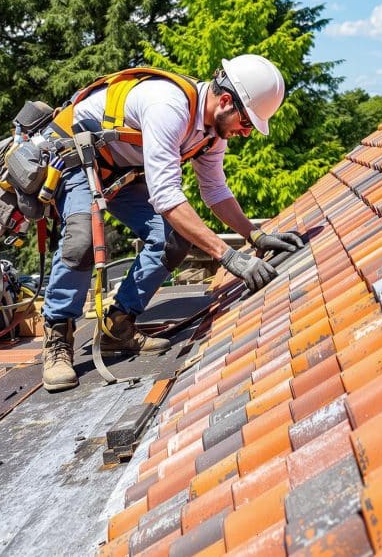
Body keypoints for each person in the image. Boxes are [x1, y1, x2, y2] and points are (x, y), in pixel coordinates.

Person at [41, 54, 305, 392]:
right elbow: (166, 197)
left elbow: (215, 191)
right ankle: (57, 340)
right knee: (81, 244)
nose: (246, 133)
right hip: (76, 157)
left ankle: (118, 326)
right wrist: (229, 257)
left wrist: (255, 236)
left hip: (121, 168)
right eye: (247, 123)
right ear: (225, 101)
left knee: (172, 240)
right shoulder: (168, 107)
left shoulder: (211, 133)